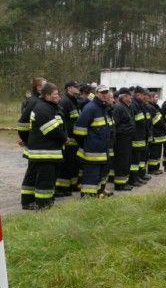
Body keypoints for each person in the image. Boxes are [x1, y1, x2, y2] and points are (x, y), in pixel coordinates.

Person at [20, 82, 67, 210]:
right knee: (45, 179)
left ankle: (29, 201)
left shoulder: (49, 106)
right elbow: (52, 130)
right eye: (55, 94)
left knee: (35, 177)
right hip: (45, 152)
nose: (58, 96)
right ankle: (43, 205)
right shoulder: (43, 109)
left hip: (45, 151)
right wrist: (65, 138)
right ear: (47, 95)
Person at [73, 85, 113, 197]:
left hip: (102, 151)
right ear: (96, 93)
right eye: (102, 92)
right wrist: (87, 144)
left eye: (106, 92)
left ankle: (97, 195)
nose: (104, 95)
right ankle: (87, 199)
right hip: (92, 152)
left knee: (99, 176)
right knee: (91, 178)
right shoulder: (90, 108)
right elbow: (79, 131)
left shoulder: (104, 108)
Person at [56, 80, 81, 196]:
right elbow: (61, 120)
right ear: (69, 88)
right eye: (75, 87)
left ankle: (72, 185)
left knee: (73, 164)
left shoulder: (74, 101)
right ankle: (62, 188)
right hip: (68, 140)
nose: (78, 88)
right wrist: (64, 136)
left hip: (75, 140)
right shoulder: (64, 101)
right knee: (66, 165)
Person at [112, 88, 135, 190]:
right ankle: (119, 185)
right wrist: (124, 131)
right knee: (121, 161)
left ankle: (124, 182)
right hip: (121, 140)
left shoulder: (127, 107)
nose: (131, 97)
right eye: (129, 95)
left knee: (126, 161)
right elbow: (115, 125)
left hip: (127, 138)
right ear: (124, 96)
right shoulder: (118, 107)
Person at [147, 92, 166, 174]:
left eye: (157, 97)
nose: (157, 99)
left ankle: (157, 168)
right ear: (151, 98)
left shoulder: (156, 106)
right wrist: (164, 125)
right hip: (155, 133)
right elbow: (156, 121)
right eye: (155, 97)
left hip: (159, 133)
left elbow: (161, 117)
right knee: (154, 153)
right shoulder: (150, 107)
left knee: (158, 152)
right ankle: (152, 169)